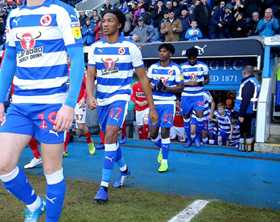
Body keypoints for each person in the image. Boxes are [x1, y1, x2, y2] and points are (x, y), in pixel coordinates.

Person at [0, 0, 84, 221]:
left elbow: (77, 58)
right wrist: (0, 99)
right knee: (2, 163)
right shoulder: (14, 15)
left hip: (52, 105)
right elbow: (9, 59)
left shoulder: (63, 11)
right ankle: (35, 204)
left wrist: (69, 104)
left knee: (52, 170)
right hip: (20, 105)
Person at [86, 9, 157, 203]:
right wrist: (90, 95)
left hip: (120, 96)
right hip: (101, 99)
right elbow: (90, 75)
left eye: (110, 20)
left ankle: (103, 187)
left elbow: (142, 78)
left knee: (110, 134)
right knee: (110, 141)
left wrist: (152, 107)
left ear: (119, 25)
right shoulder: (94, 48)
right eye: (103, 20)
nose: (105, 23)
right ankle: (124, 168)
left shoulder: (130, 48)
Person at [147, 43, 183, 172]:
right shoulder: (152, 67)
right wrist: (153, 86)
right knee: (152, 134)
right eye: (160, 51)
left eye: (164, 51)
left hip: (168, 103)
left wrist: (167, 88)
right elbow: (147, 83)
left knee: (165, 132)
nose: (161, 53)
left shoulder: (176, 69)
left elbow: (181, 87)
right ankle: (162, 148)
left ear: (170, 54)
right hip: (154, 103)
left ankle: (165, 162)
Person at [181, 47, 209, 147]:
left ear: (196, 57)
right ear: (187, 58)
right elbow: (179, 82)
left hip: (198, 95)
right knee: (186, 118)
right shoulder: (182, 67)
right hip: (186, 96)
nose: (192, 60)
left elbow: (207, 80)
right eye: (190, 58)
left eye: (193, 58)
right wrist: (188, 83)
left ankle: (197, 137)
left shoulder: (203, 66)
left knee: (200, 117)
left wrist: (198, 82)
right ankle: (189, 139)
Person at [234, 65, 260, 152]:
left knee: (244, 131)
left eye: (242, 72)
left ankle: (244, 149)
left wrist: (241, 114)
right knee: (248, 130)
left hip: (246, 112)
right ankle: (248, 148)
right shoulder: (254, 81)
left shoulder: (249, 83)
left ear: (245, 72)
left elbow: (245, 99)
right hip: (250, 110)